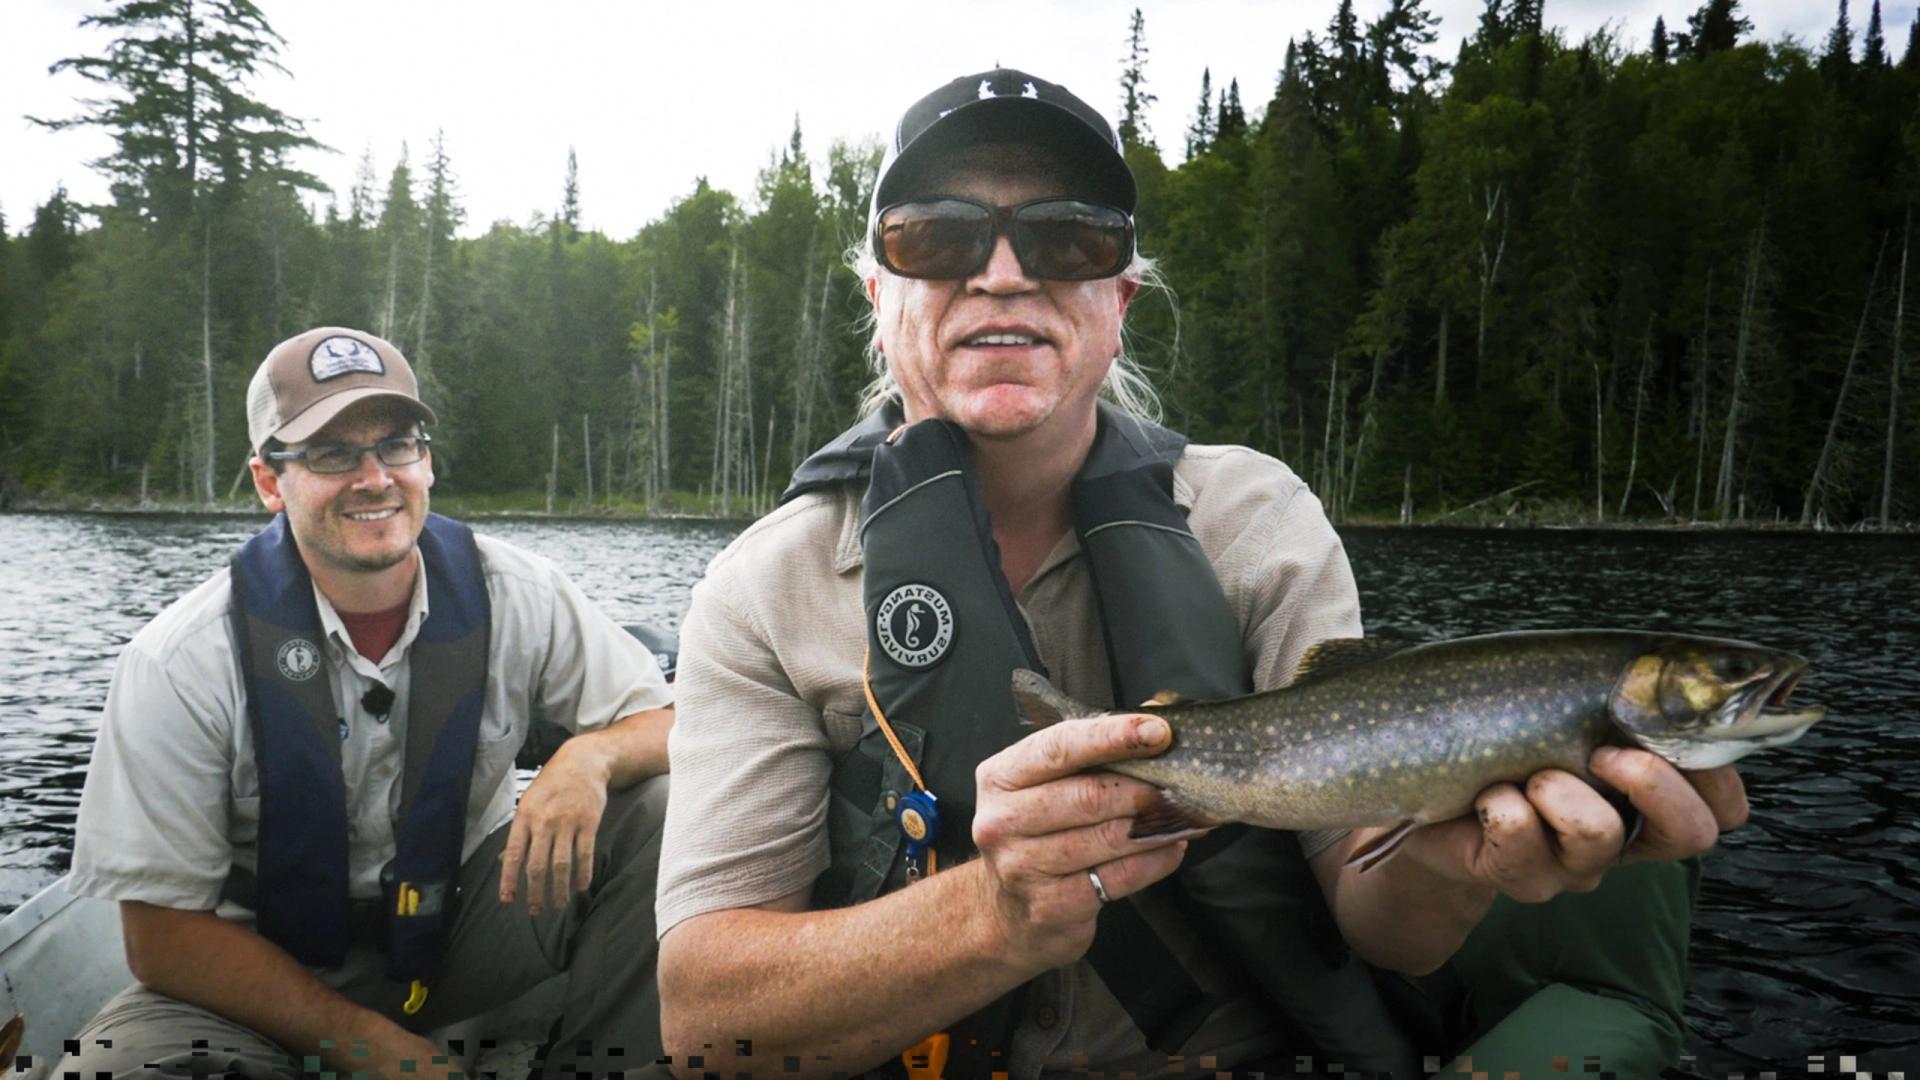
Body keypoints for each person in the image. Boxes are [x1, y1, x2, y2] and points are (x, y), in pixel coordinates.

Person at [653, 69, 1748, 1079]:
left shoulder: (1257, 520)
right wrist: (995, 914)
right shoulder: (761, 589)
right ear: (879, 296)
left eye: (1068, 238)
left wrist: (1458, 860)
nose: (1000, 273)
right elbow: (704, 1025)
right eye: (934, 237)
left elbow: (1388, 927)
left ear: (1118, 302)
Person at [59, 327, 675, 1080]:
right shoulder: (180, 660)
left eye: (398, 445)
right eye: (331, 454)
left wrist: (592, 753)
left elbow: (679, 724)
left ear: (428, 462)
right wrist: (366, 1046)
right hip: (254, 975)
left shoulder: (520, 593)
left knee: (661, 807)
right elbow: (160, 939)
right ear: (267, 481)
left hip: (459, 932)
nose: (375, 477)